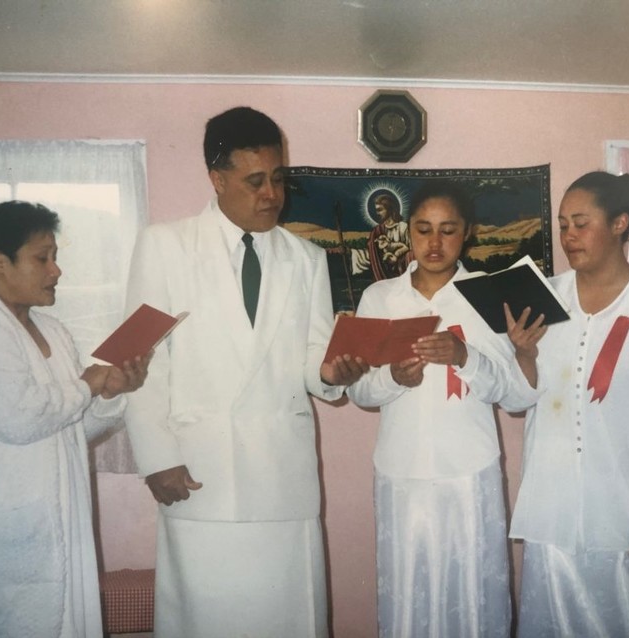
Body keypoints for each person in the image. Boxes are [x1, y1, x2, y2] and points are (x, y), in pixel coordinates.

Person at [123, 106, 367, 638]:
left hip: (283, 477)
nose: (271, 194)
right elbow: (141, 361)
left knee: (288, 620)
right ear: (217, 178)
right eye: (255, 180)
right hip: (199, 471)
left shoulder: (305, 258)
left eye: (278, 179)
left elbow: (314, 360)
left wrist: (333, 372)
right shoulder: (166, 245)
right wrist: (156, 458)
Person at [0, 201, 149, 638]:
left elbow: (71, 430)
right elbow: (20, 418)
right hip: (2, 541)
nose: (56, 271)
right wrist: (87, 384)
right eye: (42, 258)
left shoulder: (53, 332)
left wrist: (110, 393)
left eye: (55, 257)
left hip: (62, 530)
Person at [346, 180, 546, 638]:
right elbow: (358, 391)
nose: (434, 244)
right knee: (407, 592)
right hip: (401, 470)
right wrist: (392, 379)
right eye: (423, 230)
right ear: (408, 232)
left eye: (448, 230)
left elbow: (515, 397)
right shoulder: (381, 298)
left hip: (468, 470)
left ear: (467, 233)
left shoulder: (490, 293)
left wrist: (465, 357)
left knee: (473, 593)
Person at [509, 171, 629, 637]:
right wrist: (524, 355)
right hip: (552, 508)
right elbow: (520, 401)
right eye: (562, 224)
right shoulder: (543, 297)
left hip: (626, 514)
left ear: (619, 224)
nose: (568, 236)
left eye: (580, 223)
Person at [368, 192, 411, 280]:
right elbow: (371, 252)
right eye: (376, 210)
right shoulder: (377, 231)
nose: (377, 213)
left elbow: (411, 249)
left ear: (389, 209)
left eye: (380, 210)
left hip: (403, 270)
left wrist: (397, 258)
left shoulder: (403, 227)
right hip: (385, 271)